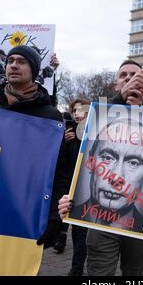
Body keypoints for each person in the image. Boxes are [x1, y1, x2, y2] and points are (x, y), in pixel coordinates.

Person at [0, 45, 70, 249]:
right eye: (10, 61)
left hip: (24, 213)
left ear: (34, 71)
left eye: (21, 62)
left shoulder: (50, 116)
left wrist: (55, 220)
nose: (14, 65)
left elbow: (60, 171)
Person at [59, 60, 143, 276]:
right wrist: (120, 101)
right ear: (115, 84)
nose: (129, 78)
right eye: (124, 75)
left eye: (134, 74)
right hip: (100, 221)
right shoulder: (98, 114)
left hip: (139, 225)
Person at [69, 117, 143, 233]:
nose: (116, 177)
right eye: (107, 158)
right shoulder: (71, 213)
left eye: (133, 163)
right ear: (91, 161)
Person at [59, 98, 91, 275]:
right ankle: (76, 268)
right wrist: (65, 142)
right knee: (76, 229)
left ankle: (76, 269)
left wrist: (79, 140)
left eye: (82, 110)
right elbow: (64, 163)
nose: (77, 114)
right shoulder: (67, 134)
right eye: (74, 111)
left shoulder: (94, 132)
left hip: (87, 187)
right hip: (71, 188)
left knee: (82, 232)